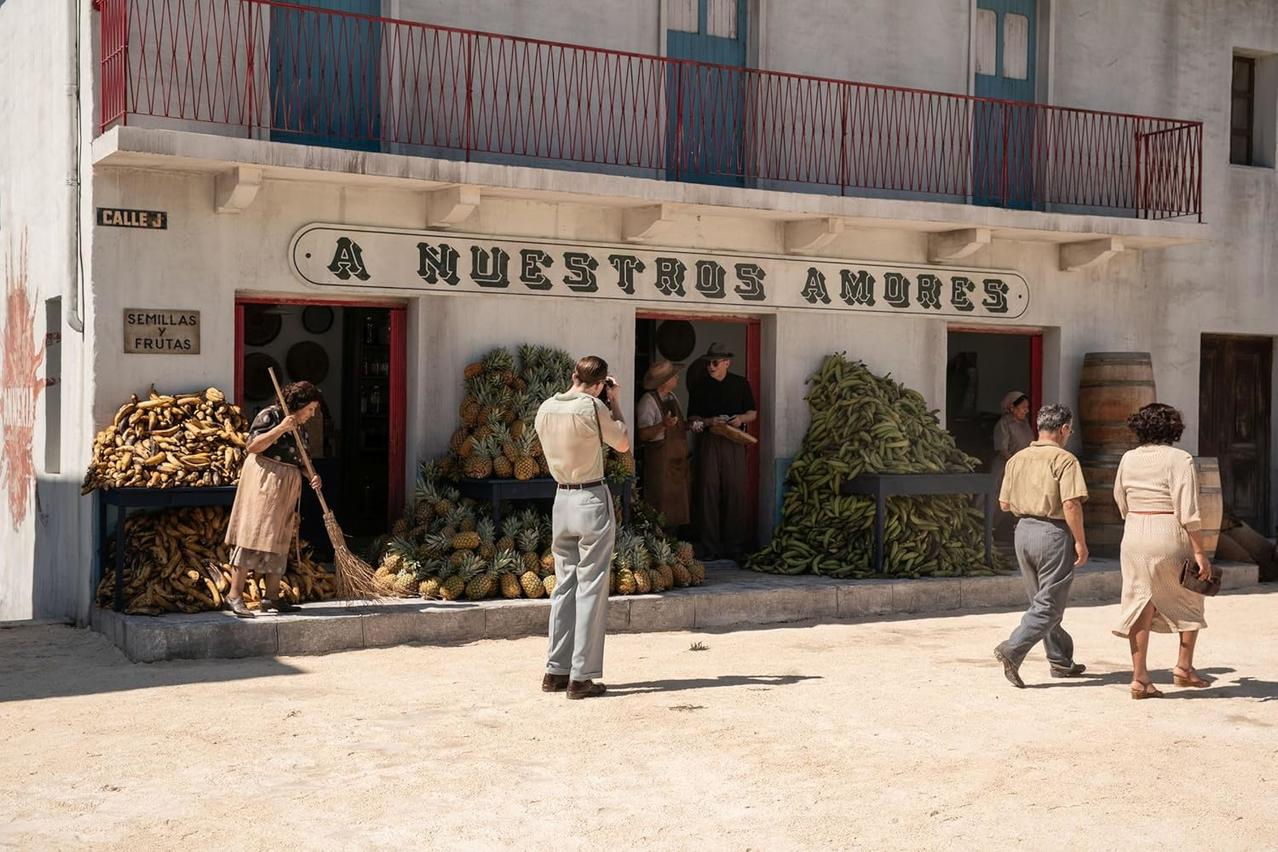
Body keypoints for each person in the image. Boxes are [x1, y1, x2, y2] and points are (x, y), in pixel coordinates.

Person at [534, 355, 630, 700]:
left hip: (561, 498)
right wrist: (615, 403)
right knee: (591, 587)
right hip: (590, 496)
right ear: (600, 383)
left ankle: (555, 670)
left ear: (573, 376)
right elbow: (621, 442)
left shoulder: (545, 407)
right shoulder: (592, 406)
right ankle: (581, 676)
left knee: (564, 586)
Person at [1111, 403, 1214, 699]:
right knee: (1192, 593)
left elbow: (1120, 498)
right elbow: (1188, 510)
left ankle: (1140, 678)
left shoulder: (1128, 458)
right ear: (1174, 429)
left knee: (1140, 600)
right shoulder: (1179, 458)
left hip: (1134, 533)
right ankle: (1183, 668)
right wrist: (1199, 553)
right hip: (1167, 530)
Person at [993, 404, 1090, 688]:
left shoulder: (1017, 459)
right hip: (1053, 533)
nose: (1069, 435)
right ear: (1063, 429)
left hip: (1022, 532)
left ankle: (1060, 661)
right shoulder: (1065, 460)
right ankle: (1013, 648)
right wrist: (1081, 542)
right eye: (1069, 430)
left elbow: (1004, 503)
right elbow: (1071, 504)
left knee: (1041, 602)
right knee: (1050, 605)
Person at [223, 381, 324, 618]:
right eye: (309, 409)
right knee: (252, 533)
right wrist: (280, 428)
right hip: (264, 481)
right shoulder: (271, 415)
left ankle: (271, 597)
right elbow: (253, 446)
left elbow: (302, 460)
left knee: (279, 536)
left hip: (286, 486)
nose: (311, 415)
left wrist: (313, 476)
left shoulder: (301, 428)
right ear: (298, 405)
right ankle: (234, 595)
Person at [687, 343, 757, 562]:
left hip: (734, 441)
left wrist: (740, 420)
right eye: (708, 362)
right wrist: (707, 421)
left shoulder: (740, 384)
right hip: (709, 439)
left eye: (715, 362)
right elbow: (692, 418)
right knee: (707, 491)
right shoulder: (699, 386)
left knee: (735, 491)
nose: (711, 366)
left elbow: (752, 413)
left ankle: (735, 546)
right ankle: (710, 547)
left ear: (727, 362)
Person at [636, 360, 692, 529]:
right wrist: (663, 425)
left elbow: (679, 424)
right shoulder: (648, 402)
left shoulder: (672, 397)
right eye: (674, 376)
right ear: (664, 381)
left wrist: (691, 424)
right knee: (659, 508)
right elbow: (643, 434)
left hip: (677, 464)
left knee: (677, 509)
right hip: (660, 464)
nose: (677, 378)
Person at [991, 391, 1036, 538]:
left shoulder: (1025, 424)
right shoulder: (1004, 424)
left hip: (1024, 469)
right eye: (1023, 407)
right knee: (998, 501)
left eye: (1027, 407)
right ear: (1012, 407)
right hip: (1006, 468)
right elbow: (1002, 449)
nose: (1026, 410)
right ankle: (988, 531)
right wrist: (1015, 465)